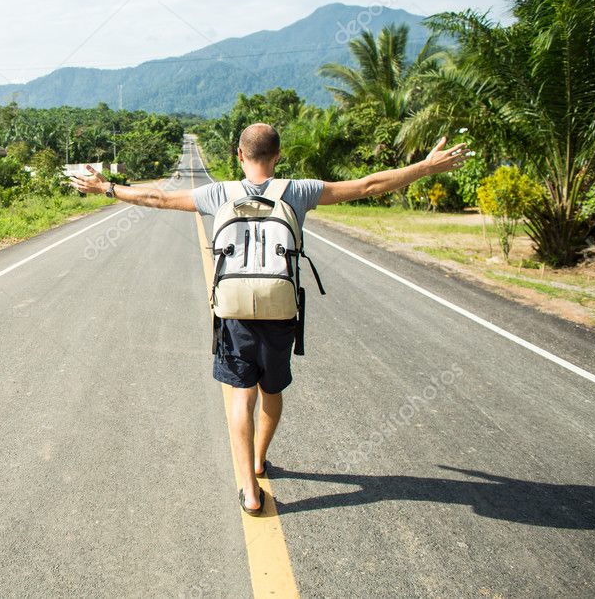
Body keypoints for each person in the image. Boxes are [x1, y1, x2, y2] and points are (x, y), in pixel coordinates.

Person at [69, 122, 471, 515]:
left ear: (239, 155)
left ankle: (249, 489)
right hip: (281, 311)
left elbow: (156, 199)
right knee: (271, 392)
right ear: (278, 156)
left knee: (240, 396)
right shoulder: (298, 192)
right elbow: (367, 185)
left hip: (234, 313)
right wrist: (425, 167)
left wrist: (106, 187)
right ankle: (261, 458)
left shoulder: (219, 194)